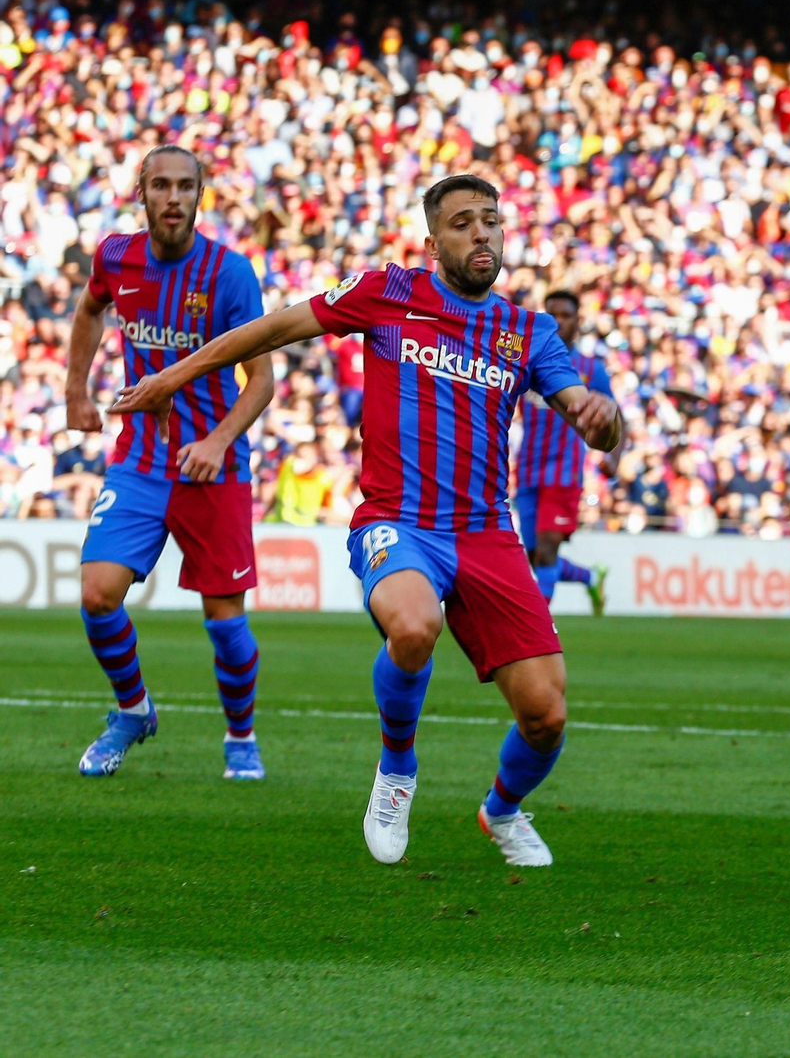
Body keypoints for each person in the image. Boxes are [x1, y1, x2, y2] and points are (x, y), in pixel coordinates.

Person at [112, 174, 624, 869]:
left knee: (546, 715)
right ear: (433, 242)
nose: (482, 233)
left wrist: (602, 416)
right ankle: (396, 770)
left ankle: (501, 810)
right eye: (464, 222)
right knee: (413, 626)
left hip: (486, 534)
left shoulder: (528, 331)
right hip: (399, 521)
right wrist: (175, 376)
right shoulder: (390, 293)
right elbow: (273, 328)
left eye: (491, 220)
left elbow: (587, 417)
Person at [67, 146, 273, 781]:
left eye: (186, 186)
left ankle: (241, 737)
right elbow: (88, 309)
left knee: (225, 620)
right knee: (98, 594)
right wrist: (76, 389)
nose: (174, 197)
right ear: (142, 193)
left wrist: (216, 441)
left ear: (201, 196)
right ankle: (133, 711)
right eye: (162, 185)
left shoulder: (231, 273)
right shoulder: (115, 256)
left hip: (214, 467)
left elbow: (261, 380)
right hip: (139, 460)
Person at [514, 289, 611, 613]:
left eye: (565, 316)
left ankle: (536, 628)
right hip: (527, 469)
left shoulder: (589, 368)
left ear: (577, 322)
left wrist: (613, 455)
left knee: (546, 551)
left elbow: (615, 414)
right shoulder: (526, 359)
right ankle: (589, 577)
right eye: (551, 314)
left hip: (564, 471)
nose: (557, 322)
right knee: (536, 556)